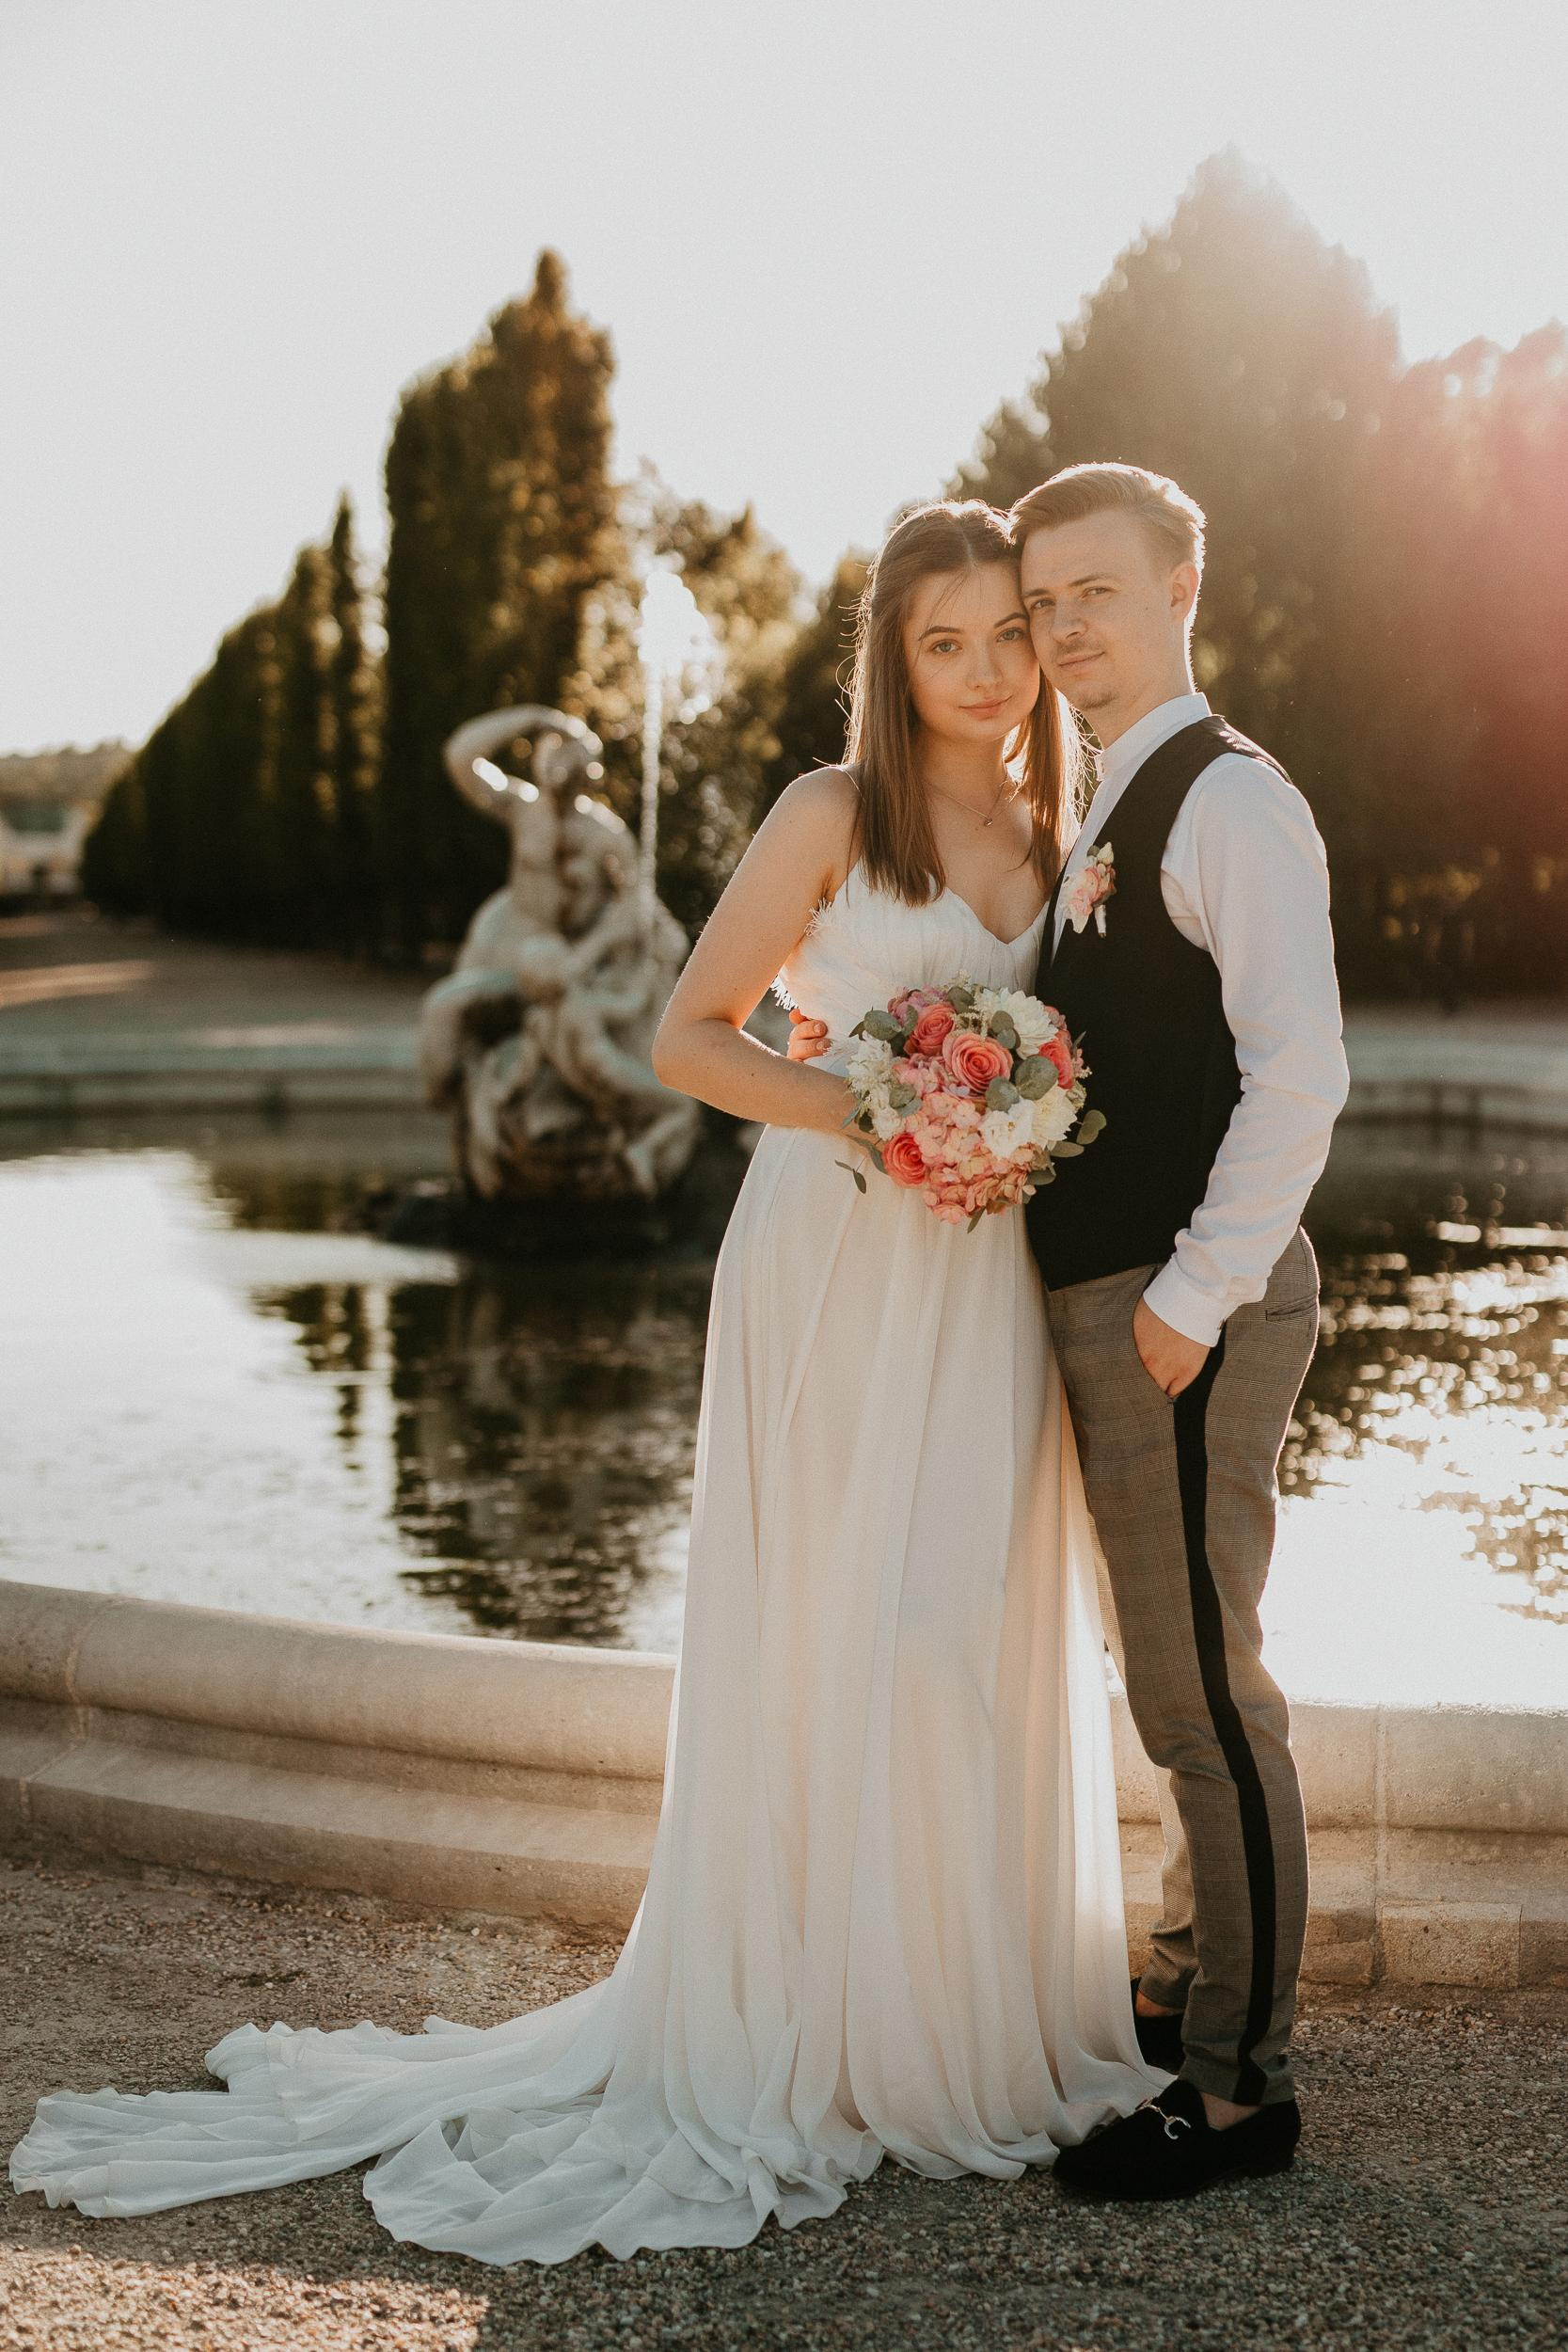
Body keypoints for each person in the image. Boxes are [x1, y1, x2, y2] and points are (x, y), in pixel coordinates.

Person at [9, 501, 1157, 2264]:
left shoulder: (1061, 818)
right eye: (947, 642)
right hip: (841, 1257)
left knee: (962, 1616)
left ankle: (963, 2004)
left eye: (1009, 633)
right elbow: (691, 1035)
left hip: (981, 1280)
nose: (990, 670)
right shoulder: (832, 813)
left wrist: (1007, 1117)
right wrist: (880, 1101)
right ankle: (823, 2017)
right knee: (849, 1615)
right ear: (891, 656)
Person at [794, 462, 1349, 2198]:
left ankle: (1241, 2091)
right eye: (1045, 606)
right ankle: (1187, 1990)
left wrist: (1189, 1306)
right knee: (1170, 1673)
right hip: (1117, 1306)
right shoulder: (1116, 797)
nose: (1062, 632)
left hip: (1191, 1309)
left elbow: (1302, 1075)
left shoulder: (1229, 803)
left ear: (1185, 582)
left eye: (1094, 592)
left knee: (1202, 1702)